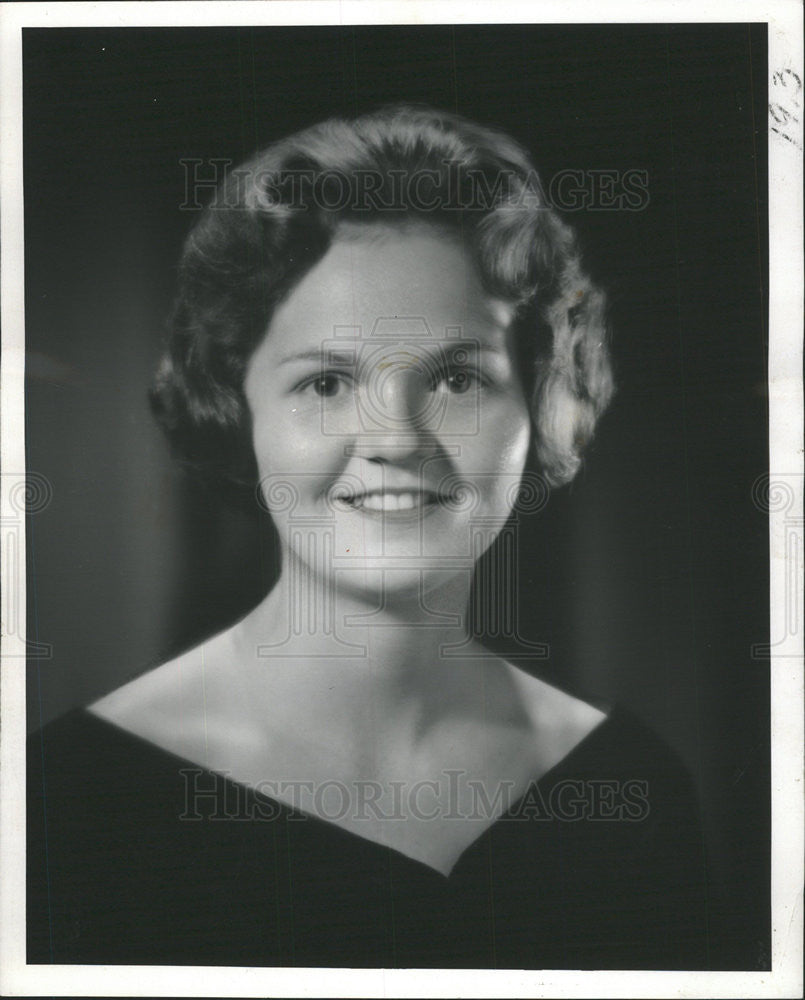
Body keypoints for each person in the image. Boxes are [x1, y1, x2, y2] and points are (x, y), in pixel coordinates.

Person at [27, 104, 710, 968]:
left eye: (459, 378)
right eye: (325, 383)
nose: (394, 437)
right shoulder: (68, 802)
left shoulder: (631, 788)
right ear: (236, 412)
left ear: (539, 407)